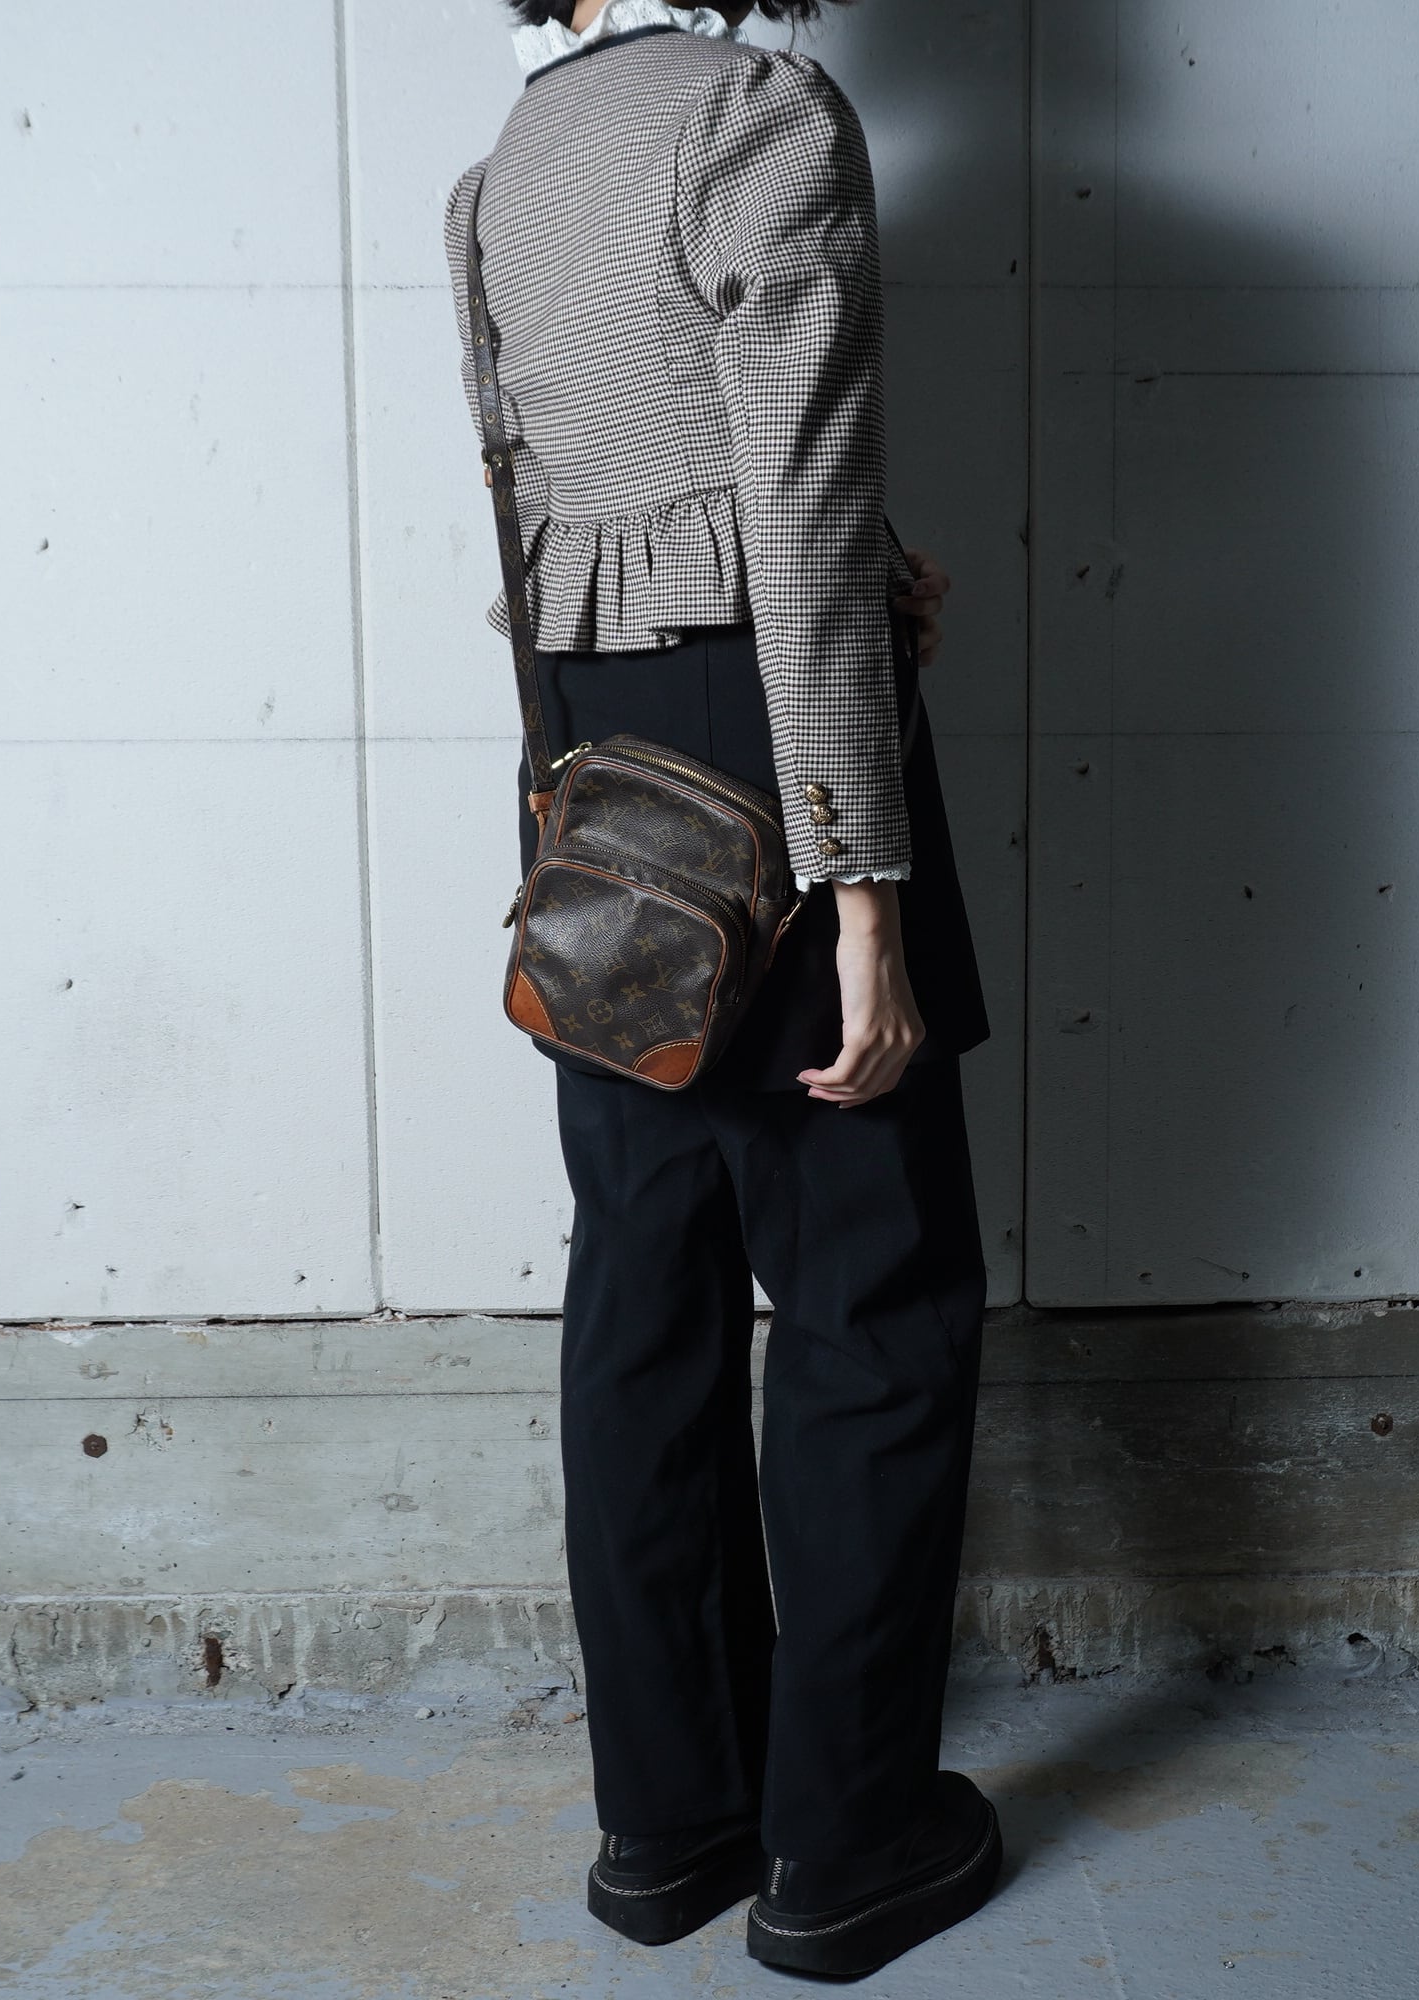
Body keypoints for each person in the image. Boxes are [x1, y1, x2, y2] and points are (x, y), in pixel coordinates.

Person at [446, 0, 999, 1975]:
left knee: (644, 1286)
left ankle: (667, 1824)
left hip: (596, 778)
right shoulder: (760, 115)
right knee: (873, 1301)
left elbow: (568, 518)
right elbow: (788, 498)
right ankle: (844, 1848)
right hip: (778, 764)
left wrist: (862, 577)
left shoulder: (502, 174)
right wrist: (862, 891)